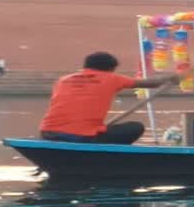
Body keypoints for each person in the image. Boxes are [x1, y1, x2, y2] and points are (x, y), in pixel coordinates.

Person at [39, 52, 180, 145]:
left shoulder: (63, 80)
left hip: (47, 133)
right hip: (80, 137)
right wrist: (171, 78)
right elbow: (152, 83)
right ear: (110, 69)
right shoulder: (111, 78)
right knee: (136, 127)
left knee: (105, 128)